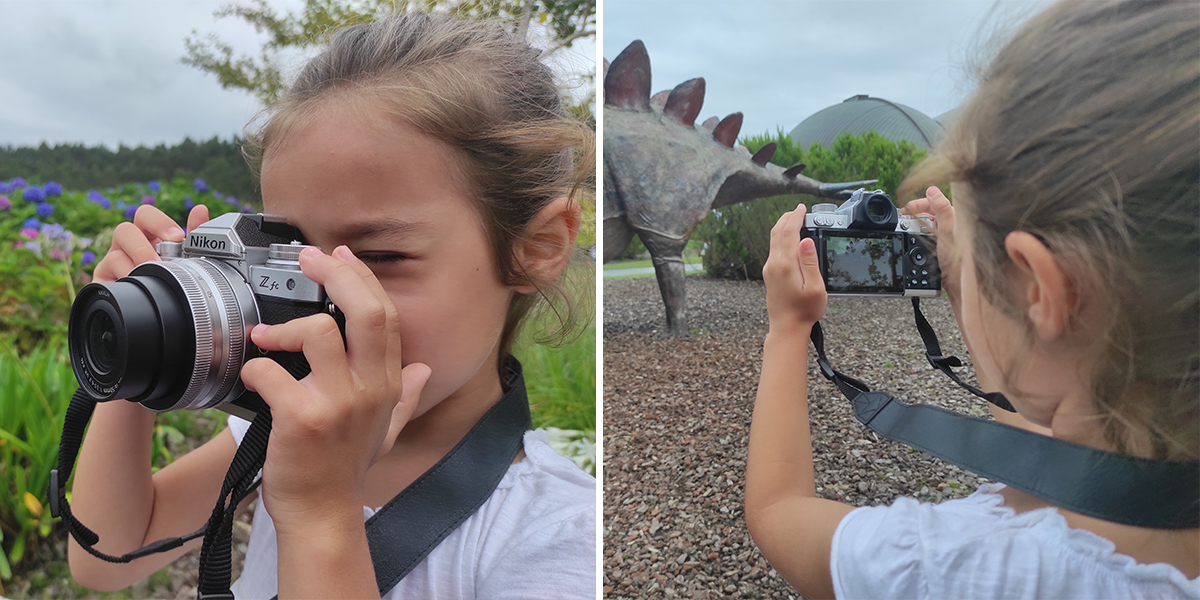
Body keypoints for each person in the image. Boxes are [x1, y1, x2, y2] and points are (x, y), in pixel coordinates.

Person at [67, 12, 596, 599]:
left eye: (379, 256)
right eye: (286, 260)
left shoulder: (558, 538)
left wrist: (322, 512)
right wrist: (140, 337)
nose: (322, 305)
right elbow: (108, 555)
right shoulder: (286, 427)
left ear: (534, 248)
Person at [744, 0, 1198, 598]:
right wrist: (969, 292)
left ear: (1040, 289)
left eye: (977, 261)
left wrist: (787, 330)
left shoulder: (959, 569)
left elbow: (777, 510)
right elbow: (1051, 447)